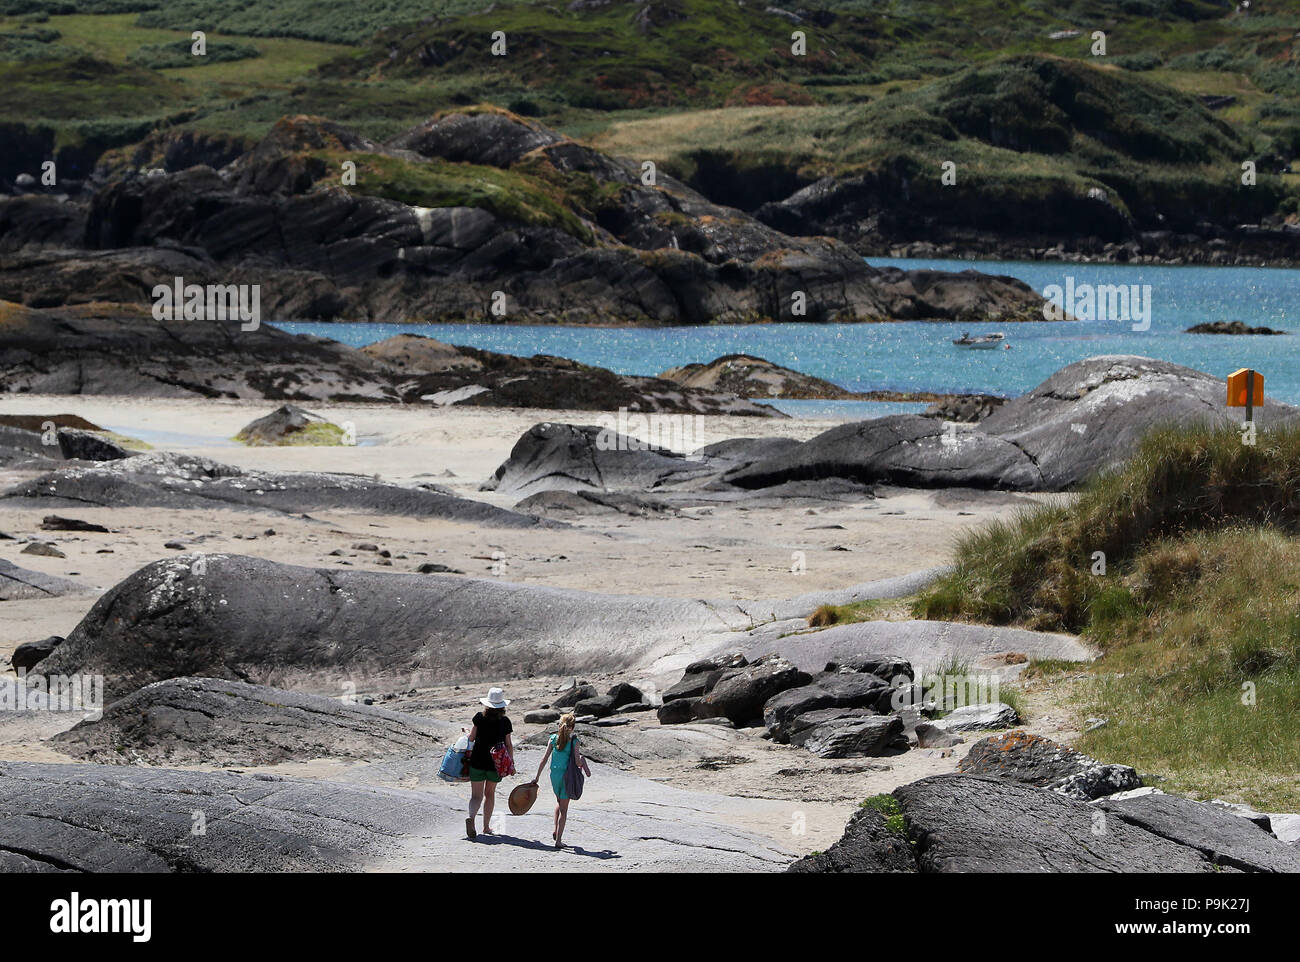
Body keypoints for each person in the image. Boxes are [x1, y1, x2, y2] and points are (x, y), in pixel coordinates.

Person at [530, 712, 591, 849]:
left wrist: (537, 777)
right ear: (573, 727)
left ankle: (555, 829)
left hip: (554, 776)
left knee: (559, 801)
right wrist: (582, 761)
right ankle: (558, 841)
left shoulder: (553, 738)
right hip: (566, 776)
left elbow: (544, 759)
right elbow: (576, 762)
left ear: (559, 725)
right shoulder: (574, 741)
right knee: (564, 809)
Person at [466, 687, 514, 840]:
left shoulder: (479, 718)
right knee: (490, 794)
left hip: (477, 761)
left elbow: (471, 738)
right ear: (502, 705)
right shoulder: (505, 721)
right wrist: (511, 763)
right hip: (496, 764)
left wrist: (467, 731)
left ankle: (471, 818)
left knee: (476, 796)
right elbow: (509, 744)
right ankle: (486, 826)